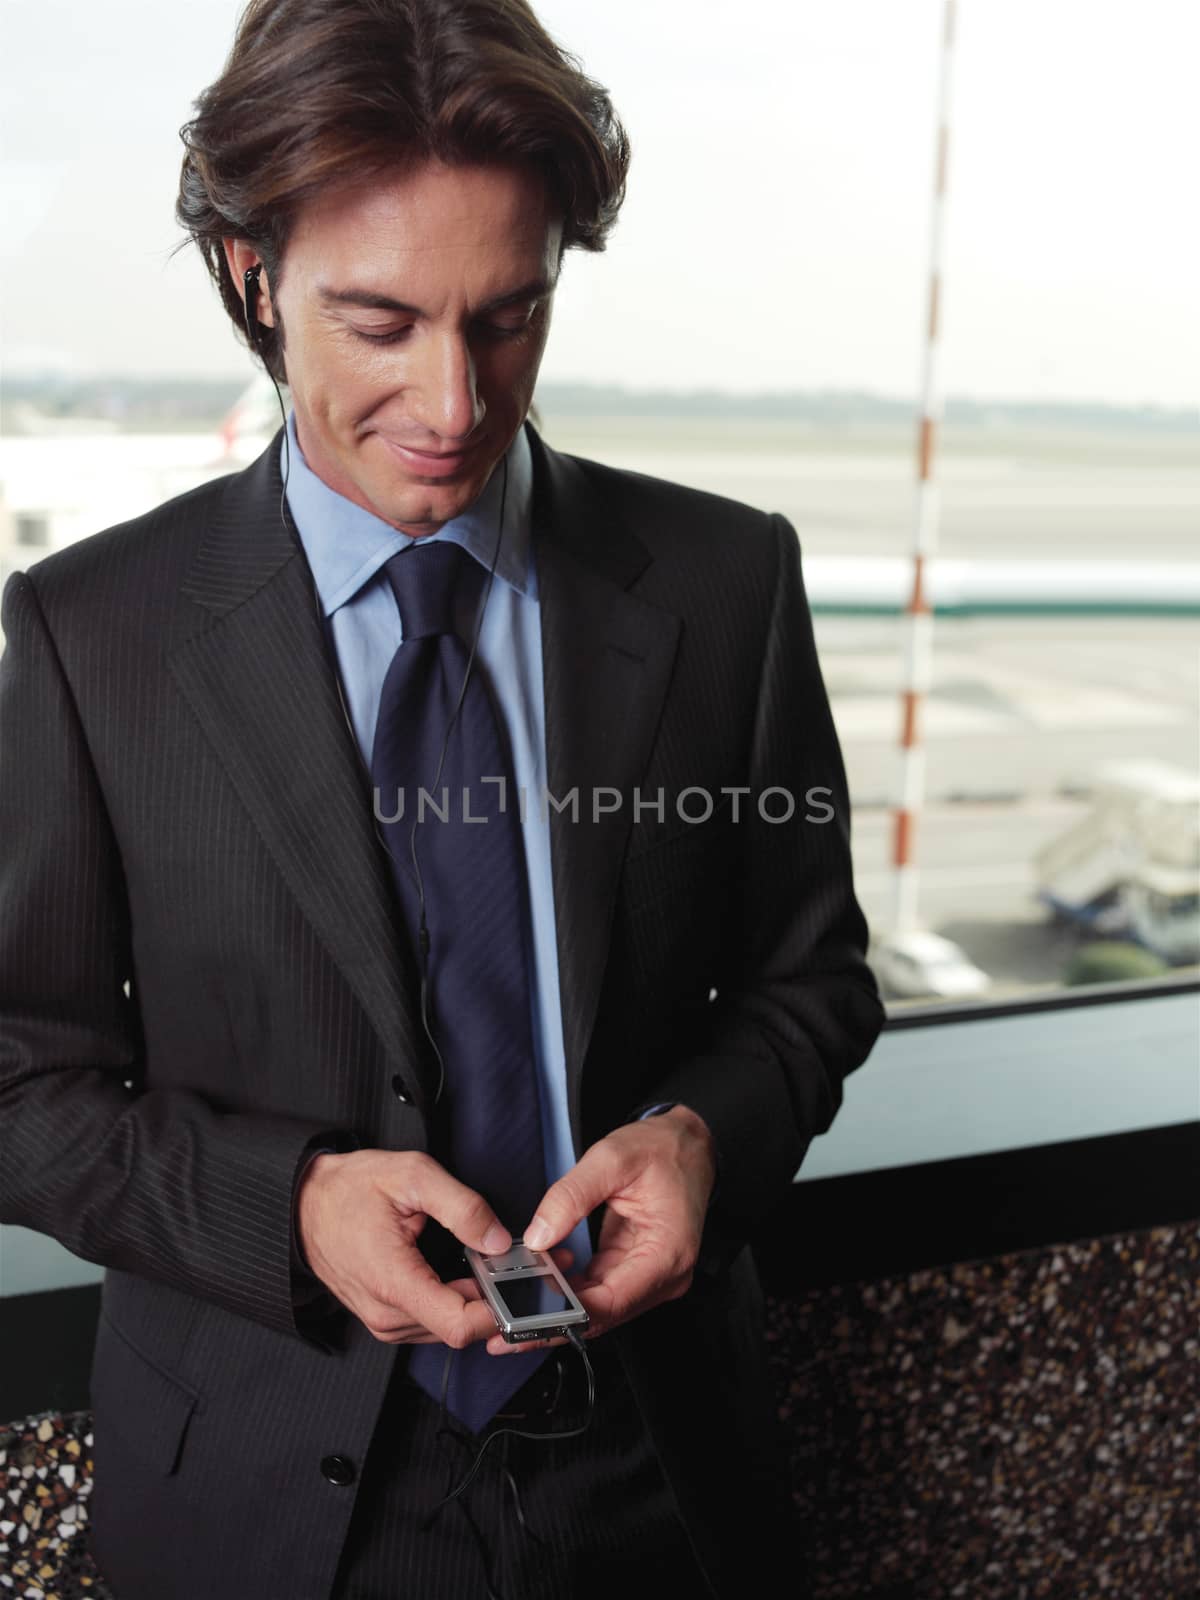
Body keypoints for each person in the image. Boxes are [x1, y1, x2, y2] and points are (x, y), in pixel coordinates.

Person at [0, 1, 886, 1596]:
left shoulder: (726, 580)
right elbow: (15, 1082)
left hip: (662, 1481)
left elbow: (809, 983)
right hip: (262, 1507)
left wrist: (705, 1139)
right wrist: (291, 1210)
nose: (457, 403)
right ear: (250, 278)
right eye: (380, 322)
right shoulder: (92, 634)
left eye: (510, 317)